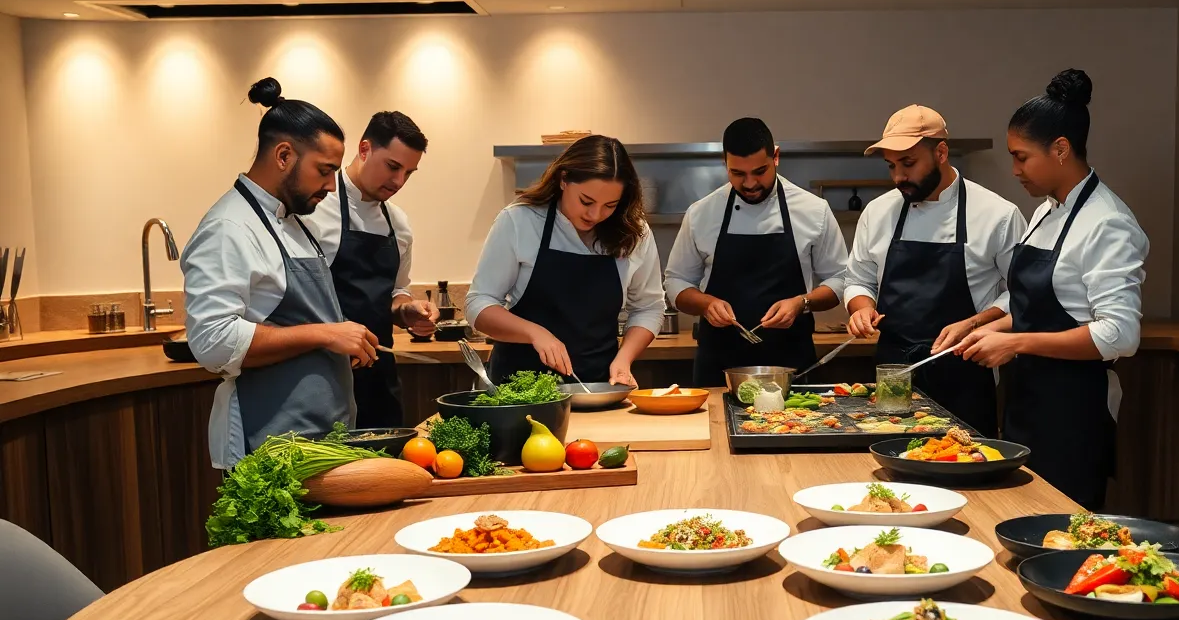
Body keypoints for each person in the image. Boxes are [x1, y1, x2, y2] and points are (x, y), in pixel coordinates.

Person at [955, 69, 1149, 509]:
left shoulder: (1108, 222)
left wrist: (1016, 341)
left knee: (1060, 529)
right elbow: (1038, 303)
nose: (1015, 169)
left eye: (1022, 157)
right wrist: (988, 325)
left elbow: (1119, 335)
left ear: (1060, 149)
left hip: (1072, 411)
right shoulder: (1045, 211)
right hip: (1026, 401)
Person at [183, 77, 378, 469]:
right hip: (268, 449)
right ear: (284, 155)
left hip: (318, 441)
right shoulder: (229, 228)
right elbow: (211, 341)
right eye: (324, 170)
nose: (330, 186)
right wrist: (325, 333)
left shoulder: (293, 220)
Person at [845, 105, 1025, 436]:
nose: (898, 176)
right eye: (891, 166)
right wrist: (861, 308)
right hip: (894, 378)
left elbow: (1023, 296)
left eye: (908, 164)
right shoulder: (878, 212)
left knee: (965, 470)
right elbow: (858, 279)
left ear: (941, 152)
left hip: (964, 375)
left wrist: (973, 322)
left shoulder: (997, 215)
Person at [466, 134, 665, 386]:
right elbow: (478, 304)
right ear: (563, 180)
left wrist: (624, 358)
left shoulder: (634, 232)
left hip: (596, 386)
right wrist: (534, 332)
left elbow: (649, 307)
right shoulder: (520, 221)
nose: (595, 214)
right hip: (518, 390)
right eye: (586, 201)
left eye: (610, 205)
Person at [665, 118, 848, 386]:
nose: (750, 184)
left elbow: (841, 278)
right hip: (718, 368)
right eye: (737, 173)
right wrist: (706, 304)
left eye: (759, 171)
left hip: (790, 365)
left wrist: (802, 303)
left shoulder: (813, 210)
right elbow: (676, 280)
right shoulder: (702, 213)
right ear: (724, 163)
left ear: (776, 156)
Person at [308, 111, 437, 428]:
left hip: (380, 378)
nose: (398, 181)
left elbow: (395, 292)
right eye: (393, 166)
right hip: (323, 376)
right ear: (364, 149)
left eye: (409, 172)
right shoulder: (313, 208)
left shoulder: (399, 224)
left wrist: (408, 312)